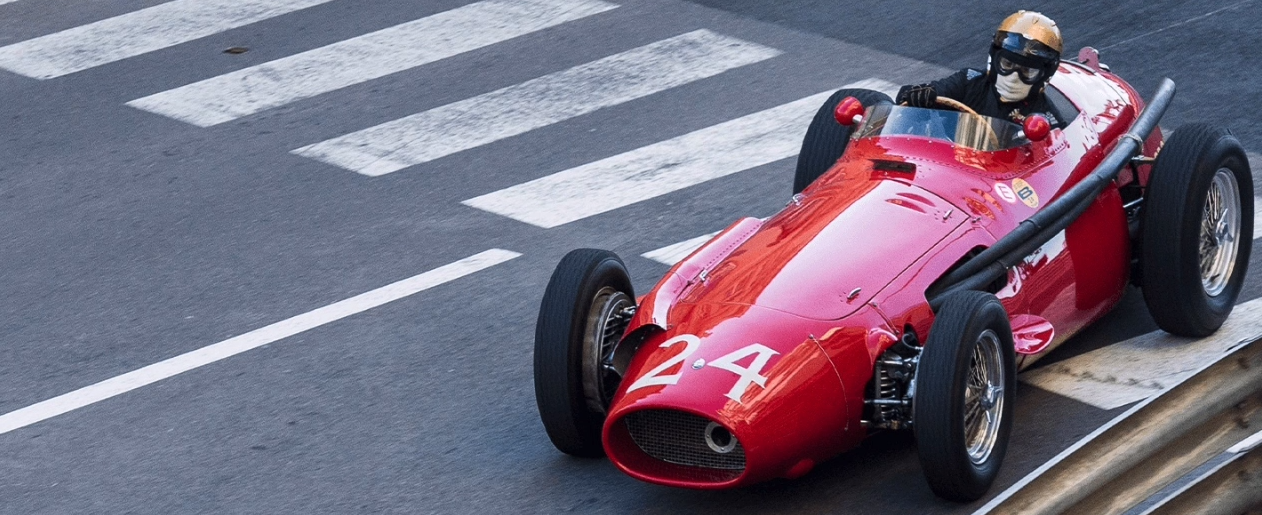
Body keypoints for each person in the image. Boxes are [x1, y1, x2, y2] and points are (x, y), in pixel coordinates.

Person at [895, 11, 1067, 128]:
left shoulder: (1047, 120)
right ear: (994, 60)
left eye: (1027, 72)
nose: (1014, 77)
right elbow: (909, 96)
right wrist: (918, 96)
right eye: (1007, 65)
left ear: (1043, 76)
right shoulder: (969, 80)